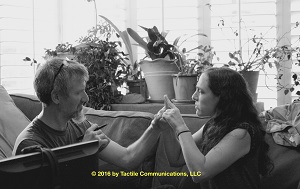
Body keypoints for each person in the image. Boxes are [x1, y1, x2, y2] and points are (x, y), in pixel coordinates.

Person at [12, 58, 163, 171]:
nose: (86, 98)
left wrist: (155, 127)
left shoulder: (81, 126)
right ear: (56, 97)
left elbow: (127, 158)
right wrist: (82, 151)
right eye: (78, 92)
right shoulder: (30, 145)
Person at [158, 67, 273, 189]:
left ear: (222, 97)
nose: (193, 96)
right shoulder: (214, 124)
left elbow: (200, 173)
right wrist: (166, 127)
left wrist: (181, 126)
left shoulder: (242, 133)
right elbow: (177, 158)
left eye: (201, 91)